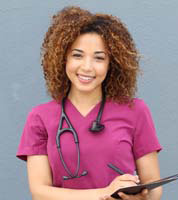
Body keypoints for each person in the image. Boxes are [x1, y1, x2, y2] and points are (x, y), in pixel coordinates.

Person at [16, 6, 162, 200]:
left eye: (99, 58)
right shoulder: (40, 117)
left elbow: (153, 187)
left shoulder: (135, 111)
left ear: (112, 63)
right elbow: (40, 192)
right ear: (63, 58)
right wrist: (103, 193)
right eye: (77, 55)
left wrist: (141, 197)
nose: (87, 67)